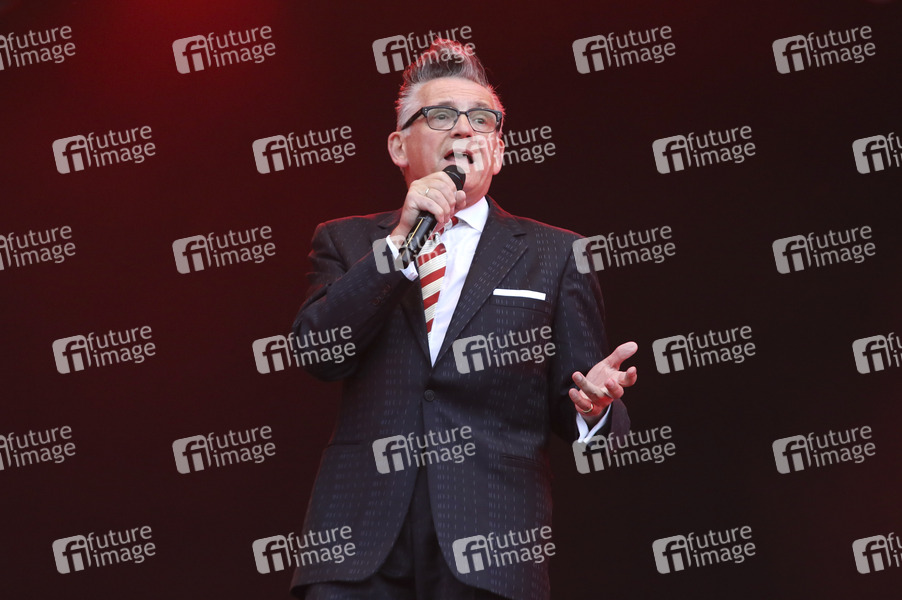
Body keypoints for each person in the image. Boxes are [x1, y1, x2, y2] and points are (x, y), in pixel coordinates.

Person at [290, 39, 637, 600]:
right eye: (441, 115)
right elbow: (318, 352)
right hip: (357, 538)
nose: (463, 129)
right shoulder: (347, 241)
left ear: (497, 151)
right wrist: (399, 243)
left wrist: (593, 407)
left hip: (491, 540)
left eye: (481, 119)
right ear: (399, 146)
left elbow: (578, 405)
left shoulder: (556, 254)